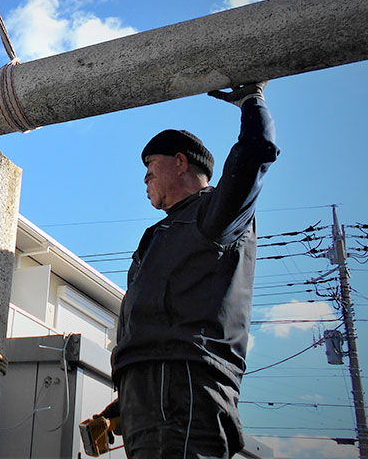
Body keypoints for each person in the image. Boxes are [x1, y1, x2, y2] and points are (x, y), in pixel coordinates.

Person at [96, 82, 279, 459]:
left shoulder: (214, 215)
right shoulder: (160, 234)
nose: (145, 179)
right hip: (148, 390)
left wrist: (251, 100)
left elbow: (254, 154)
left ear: (180, 162)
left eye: (150, 167)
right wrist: (126, 401)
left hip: (184, 383)